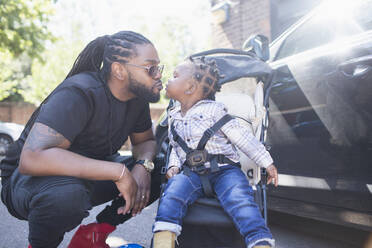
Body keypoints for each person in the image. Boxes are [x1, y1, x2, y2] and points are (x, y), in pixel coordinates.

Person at [0, 31, 164, 248]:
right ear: (119, 70)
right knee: (68, 196)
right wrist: (119, 172)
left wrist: (144, 166)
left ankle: (93, 236)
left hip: (83, 177)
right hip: (26, 182)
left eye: (159, 67)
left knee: (162, 167)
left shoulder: (136, 99)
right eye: (150, 68)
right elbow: (32, 159)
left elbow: (145, 142)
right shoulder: (80, 92)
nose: (159, 75)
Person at [152, 57, 279, 248]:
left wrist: (266, 162)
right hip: (191, 173)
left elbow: (243, 138)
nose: (168, 79)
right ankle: (164, 239)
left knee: (240, 201)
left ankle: (259, 241)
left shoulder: (215, 111)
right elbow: (177, 148)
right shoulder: (174, 116)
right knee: (173, 194)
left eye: (175, 76)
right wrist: (173, 166)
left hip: (224, 170)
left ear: (190, 88)